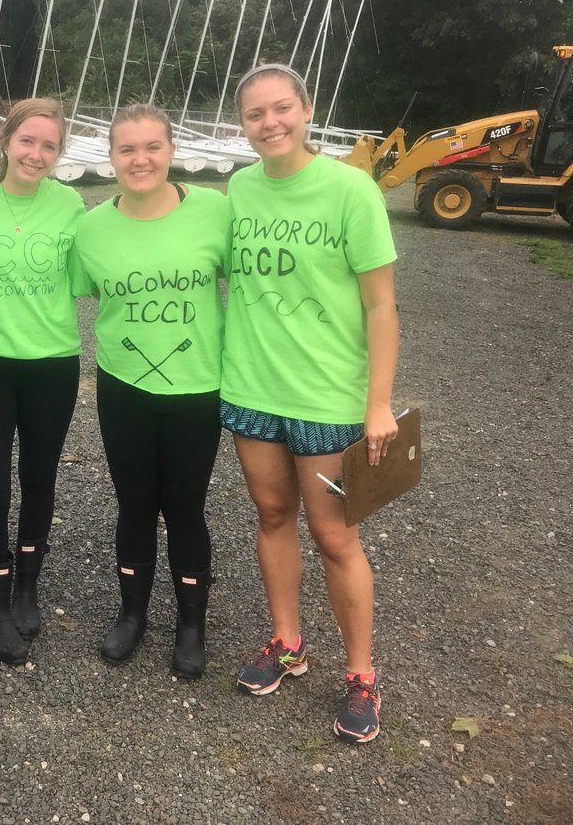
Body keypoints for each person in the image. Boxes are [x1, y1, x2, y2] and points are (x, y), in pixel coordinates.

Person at [222, 63, 398, 744]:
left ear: (306, 108)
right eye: (255, 114)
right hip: (251, 387)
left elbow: (381, 306)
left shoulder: (351, 191)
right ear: (242, 124)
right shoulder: (238, 189)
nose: (270, 123)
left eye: (281, 108)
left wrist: (377, 403)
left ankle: (361, 676)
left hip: (326, 396)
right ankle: (287, 643)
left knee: (333, 535)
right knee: (271, 514)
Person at [70, 104, 230, 677]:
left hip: (196, 388)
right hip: (123, 386)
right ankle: (132, 614)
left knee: (185, 507)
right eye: (127, 150)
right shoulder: (90, 228)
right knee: (135, 504)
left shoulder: (214, 211)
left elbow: (257, 287)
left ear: (171, 151)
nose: (140, 160)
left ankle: (191, 625)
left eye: (152, 148)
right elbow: (74, 292)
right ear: (111, 157)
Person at [0, 98, 85, 664]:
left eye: (49, 146)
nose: (36, 154)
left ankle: (28, 582)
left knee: (39, 478)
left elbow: (102, 266)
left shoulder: (73, 204)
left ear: (59, 154)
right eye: (27, 141)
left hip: (53, 362)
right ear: (5, 142)